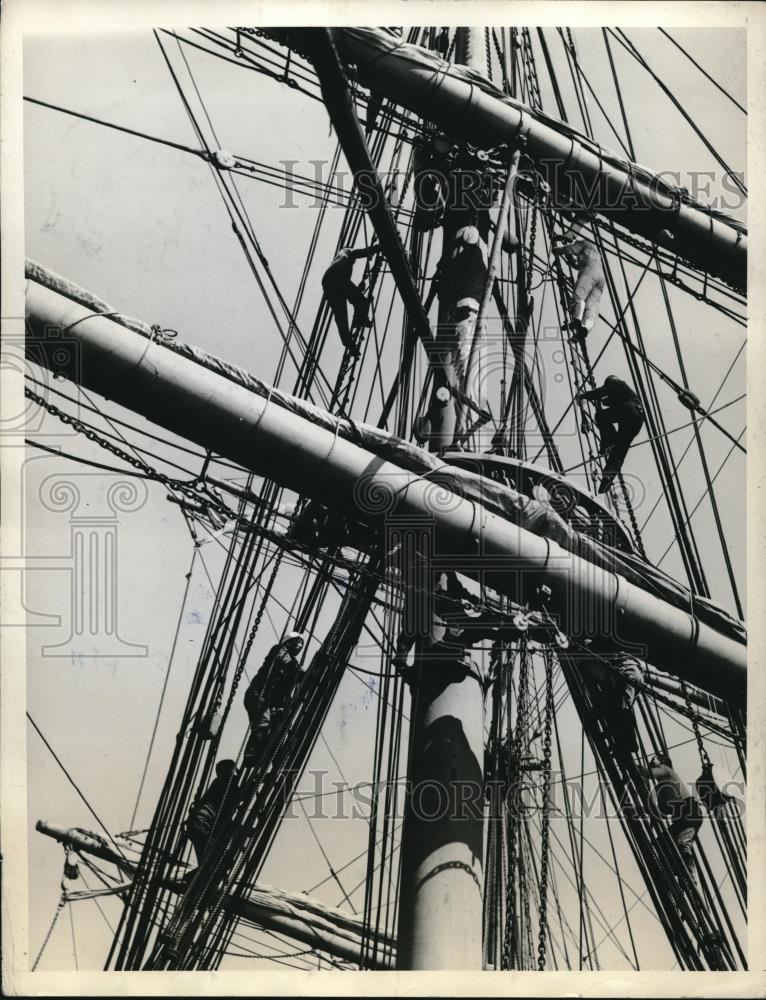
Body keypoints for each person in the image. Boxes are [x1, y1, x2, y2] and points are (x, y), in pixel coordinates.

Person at [243, 632, 306, 766]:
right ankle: (250, 757)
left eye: (302, 644)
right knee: (262, 724)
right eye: (298, 642)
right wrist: (303, 672)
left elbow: (298, 676)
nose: (300, 646)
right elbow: (285, 661)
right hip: (258, 696)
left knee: (278, 730)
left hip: (271, 702)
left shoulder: (294, 664)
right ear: (288, 642)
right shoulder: (279, 649)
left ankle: (271, 759)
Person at [642, 753, 703, 881]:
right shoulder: (663, 787)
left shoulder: (666, 770)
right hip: (681, 818)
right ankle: (674, 872)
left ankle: (690, 878)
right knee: (661, 843)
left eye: (656, 758)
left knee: (683, 844)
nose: (653, 759)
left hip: (689, 813)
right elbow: (663, 811)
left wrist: (633, 766)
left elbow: (648, 773)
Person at [576, 376, 645, 491]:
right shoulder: (625, 393)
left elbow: (603, 391)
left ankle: (608, 440)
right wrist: (600, 401)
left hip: (628, 410)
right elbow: (607, 400)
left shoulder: (617, 383)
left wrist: (584, 396)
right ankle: (608, 477)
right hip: (637, 421)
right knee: (619, 451)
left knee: (600, 416)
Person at [321, 244, 379, 355]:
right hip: (336, 277)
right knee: (363, 302)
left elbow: (347, 289)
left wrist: (358, 290)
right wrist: (376, 248)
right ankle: (360, 320)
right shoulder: (346, 251)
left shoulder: (340, 262)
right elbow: (357, 252)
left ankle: (348, 342)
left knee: (340, 313)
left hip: (328, 281)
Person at [552, 229, 605, 342]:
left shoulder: (583, 243)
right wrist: (571, 261)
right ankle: (585, 329)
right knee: (590, 307)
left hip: (591, 271)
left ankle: (576, 320)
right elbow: (578, 265)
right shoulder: (594, 253)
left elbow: (571, 248)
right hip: (600, 279)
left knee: (579, 295)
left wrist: (557, 250)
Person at [184, 759, 239, 865]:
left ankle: (194, 876)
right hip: (201, 824)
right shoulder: (225, 783)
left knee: (208, 864)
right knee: (214, 862)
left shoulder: (218, 783)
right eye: (233, 770)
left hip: (196, 824)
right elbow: (241, 794)